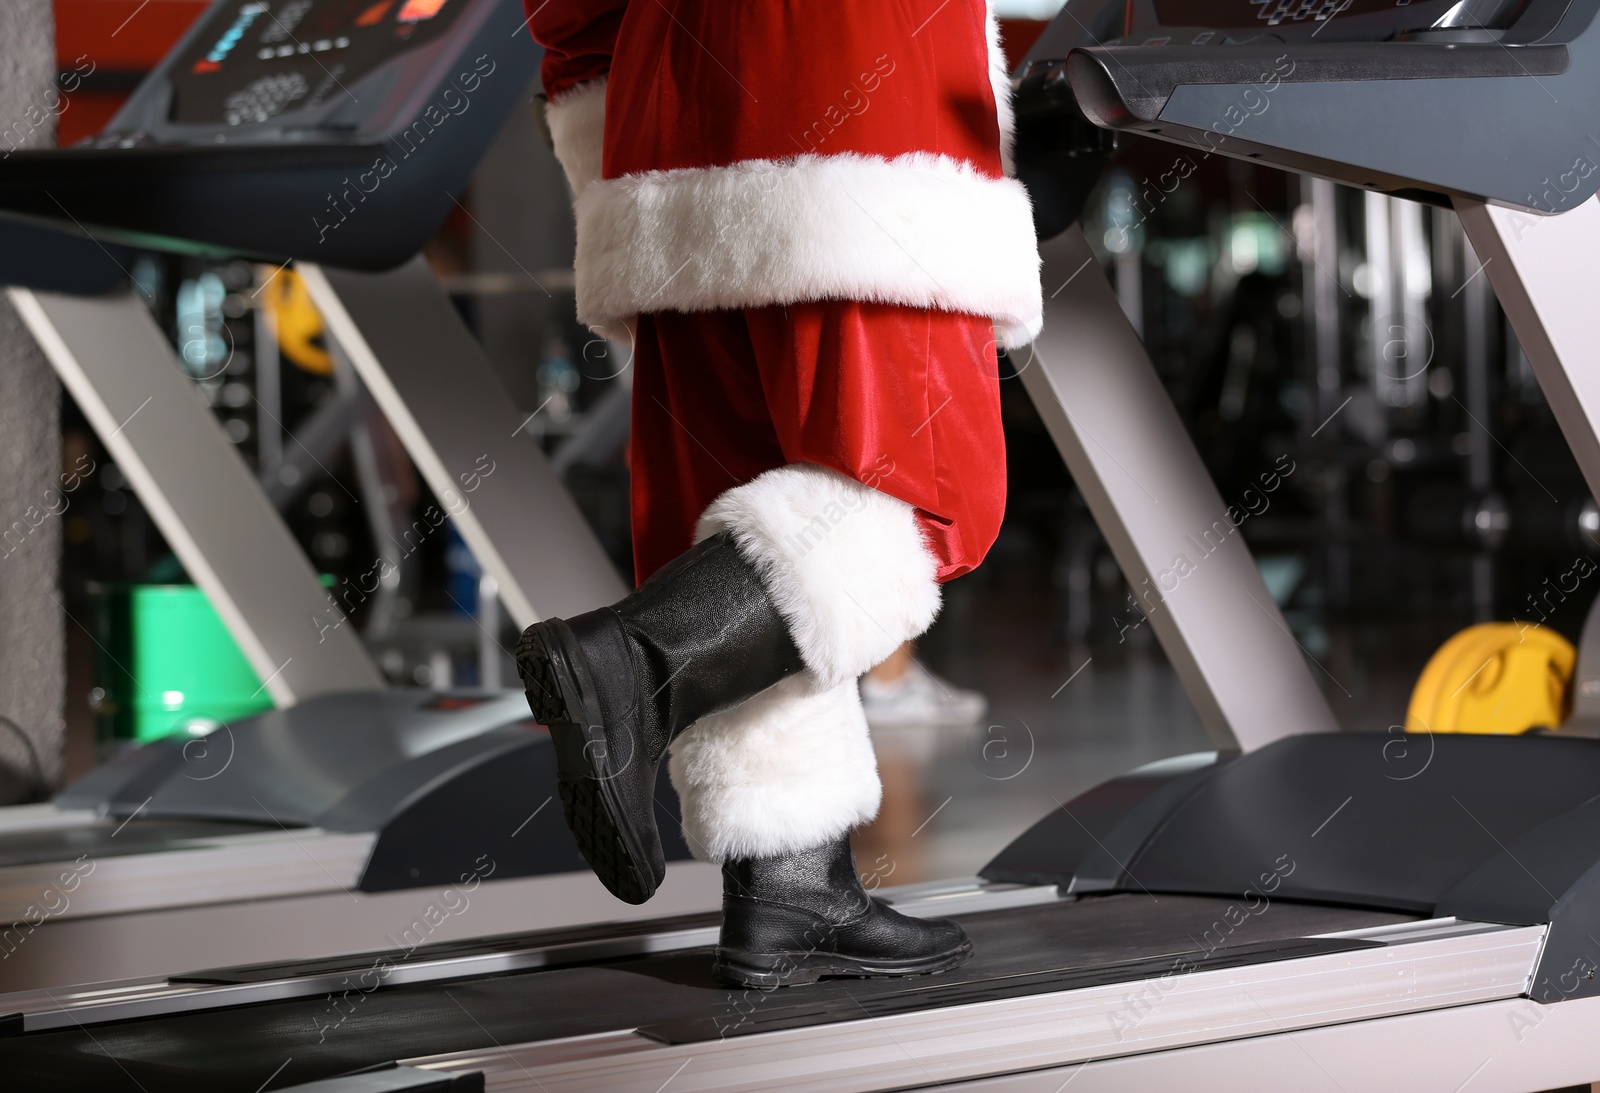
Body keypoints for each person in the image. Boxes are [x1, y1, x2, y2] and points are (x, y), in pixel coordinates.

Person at [518, 0, 1042, 988]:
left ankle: (789, 883)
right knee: (920, 499)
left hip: (665, 129)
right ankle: (634, 662)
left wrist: (609, 146)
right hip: (861, 111)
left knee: (733, 497)